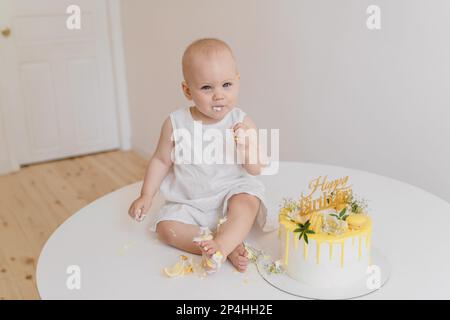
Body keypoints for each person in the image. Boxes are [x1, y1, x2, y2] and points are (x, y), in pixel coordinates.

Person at [128, 38, 269, 273]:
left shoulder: (241, 122)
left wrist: (247, 148)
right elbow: (161, 160)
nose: (219, 95)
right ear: (187, 90)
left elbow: (255, 169)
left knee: (248, 201)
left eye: (226, 85)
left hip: (230, 194)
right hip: (190, 202)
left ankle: (223, 243)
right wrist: (146, 194)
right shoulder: (175, 123)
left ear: (237, 81)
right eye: (206, 88)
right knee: (165, 228)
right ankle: (221, 244)